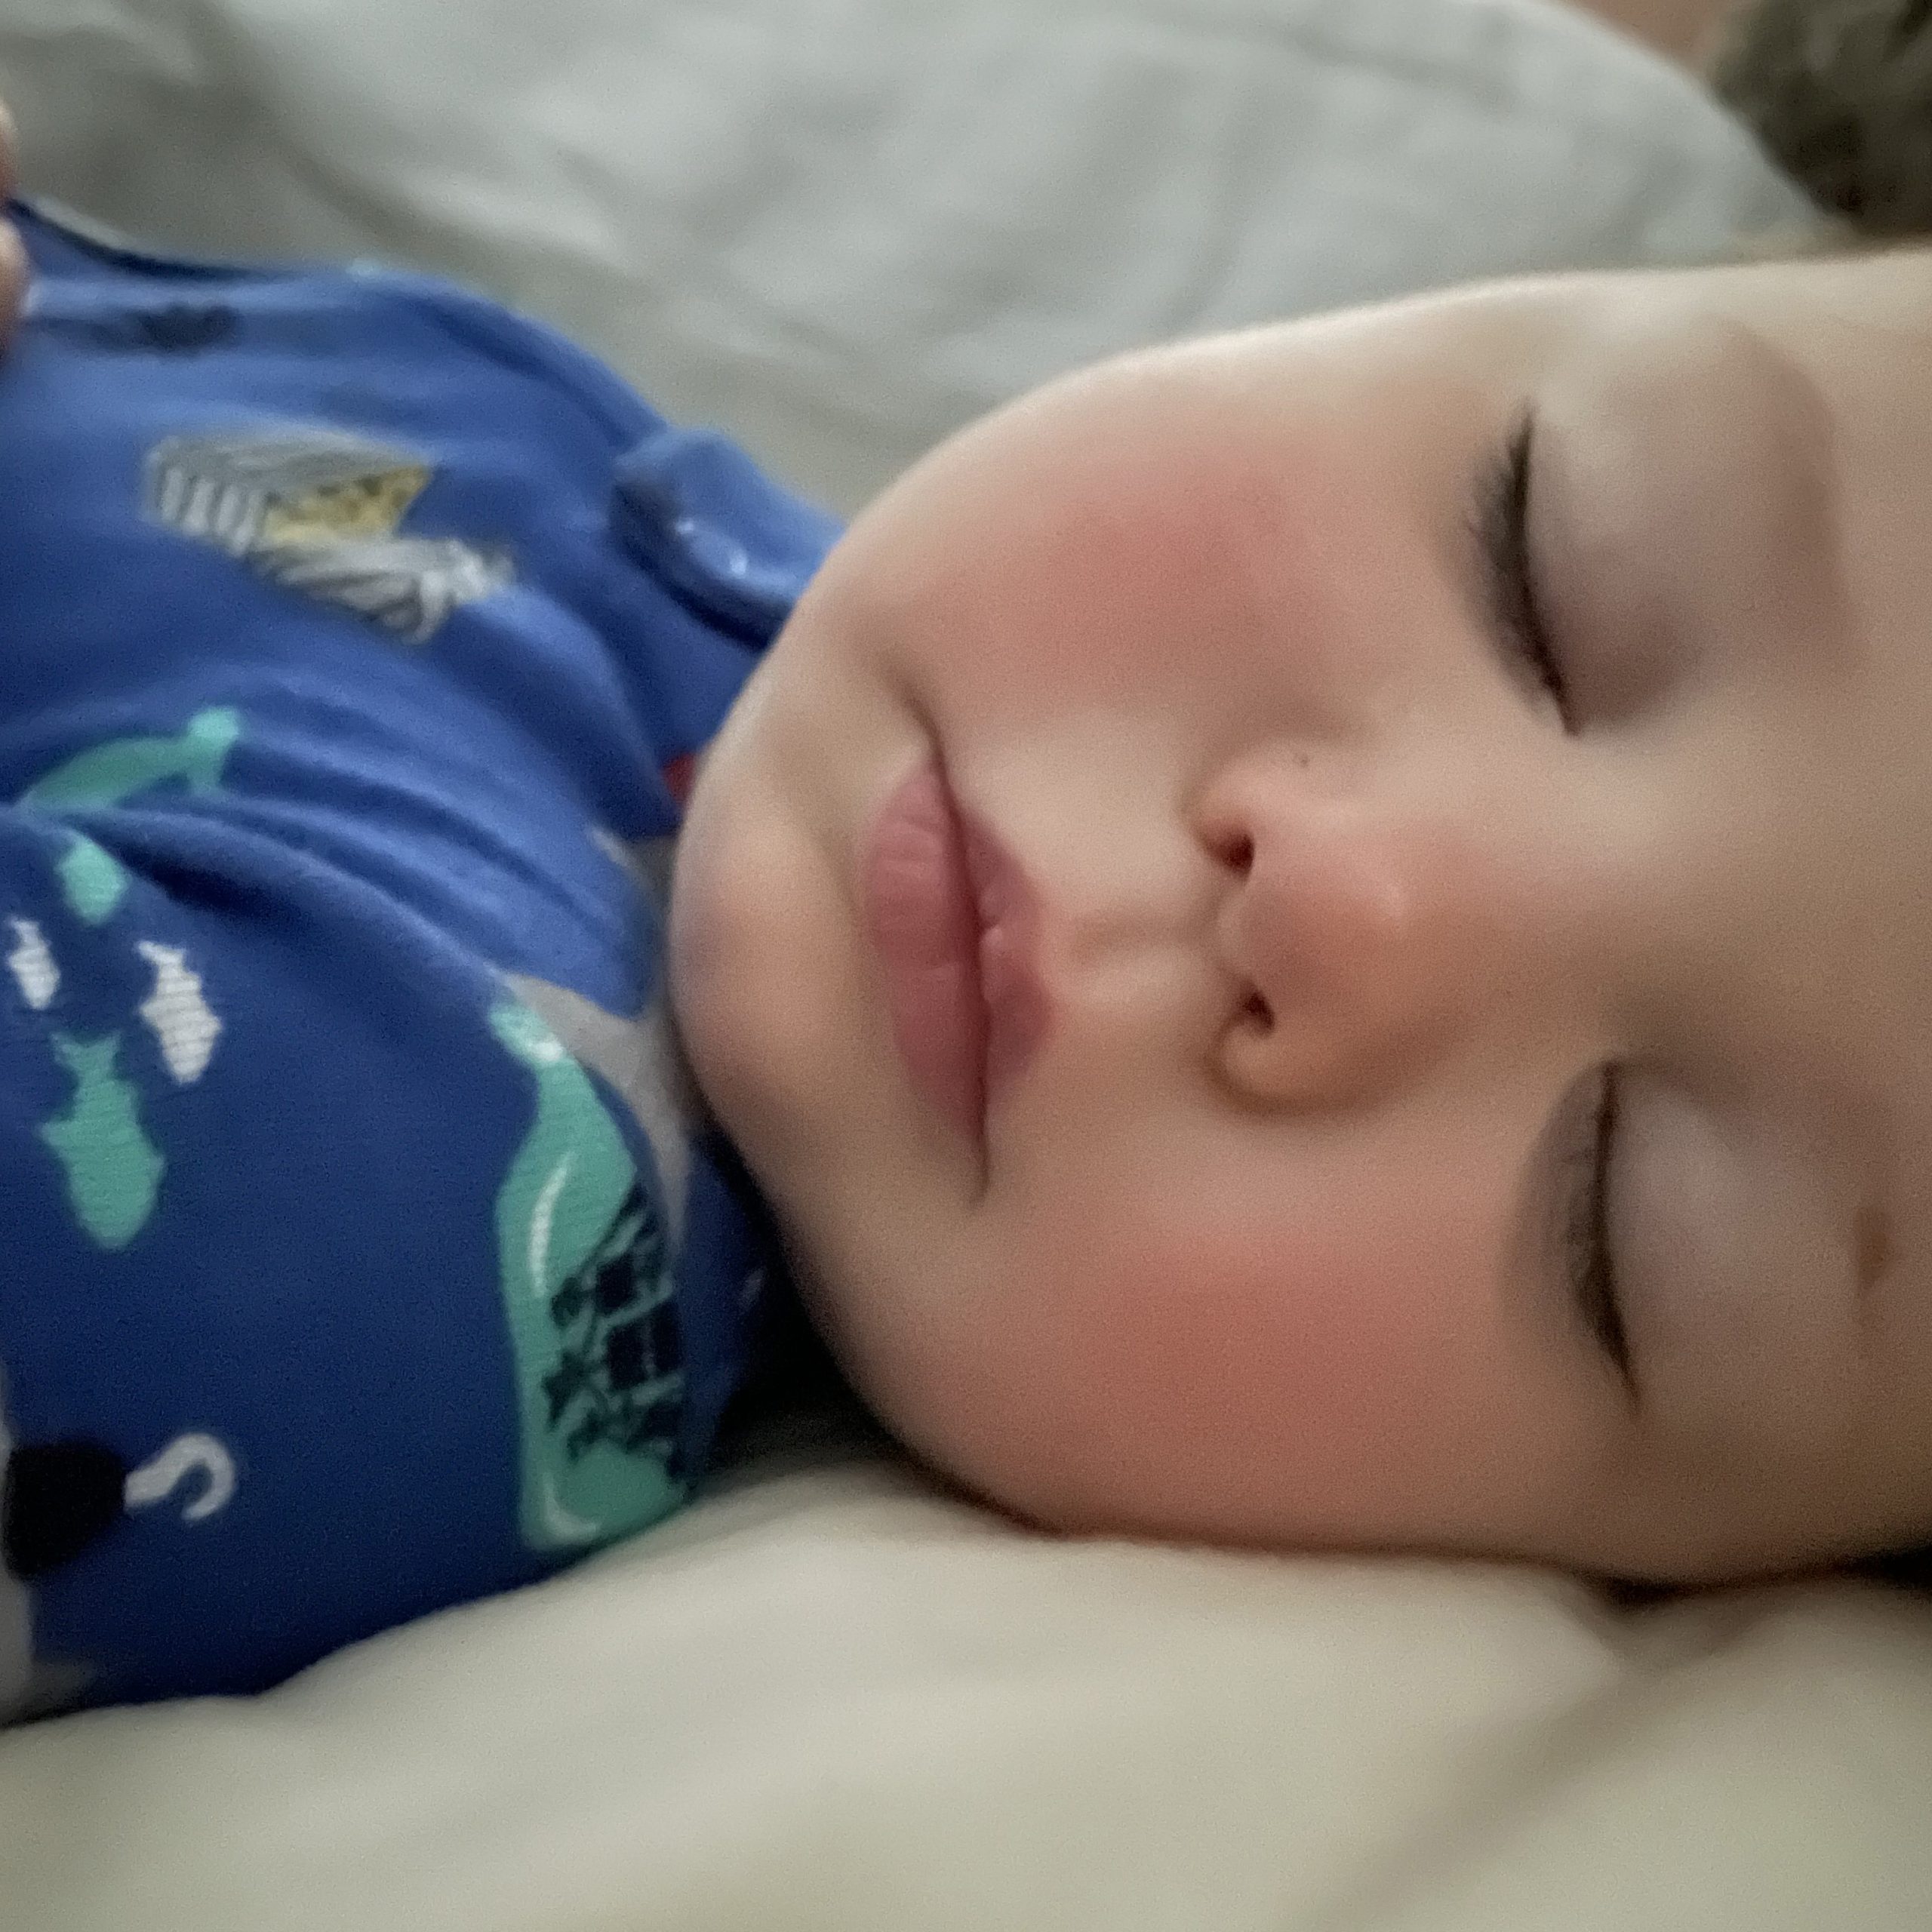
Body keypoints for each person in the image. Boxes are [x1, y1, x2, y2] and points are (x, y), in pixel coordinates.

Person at [1, 1, 1927, 1716]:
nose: (1347, 897)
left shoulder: (398, 1202)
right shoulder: (677, 563)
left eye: (1621, 1224)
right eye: (1545, 563)